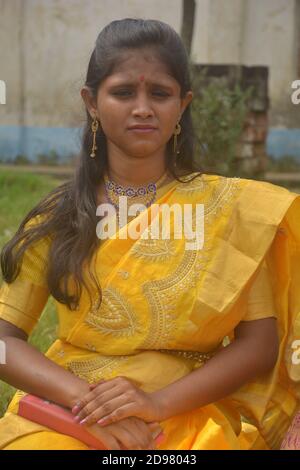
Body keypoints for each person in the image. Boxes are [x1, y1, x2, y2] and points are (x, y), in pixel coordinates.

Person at [0, 18, 299, 451]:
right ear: (92, 102)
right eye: (123, 92)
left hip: (186, 411)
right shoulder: (60, 217)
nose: (143, 107)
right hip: (70, 411)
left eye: (160, 93)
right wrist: (88, 406)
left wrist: (155, 404)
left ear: (183, 104)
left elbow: (259, 346)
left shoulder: (231, 213)